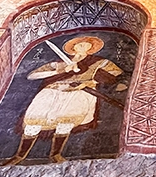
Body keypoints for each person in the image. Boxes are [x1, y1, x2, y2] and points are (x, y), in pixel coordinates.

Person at [8, 35, 124, 164]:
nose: (83, 46)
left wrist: (90, 82)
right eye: (79, 44)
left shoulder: (99, 62)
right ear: (73, 48)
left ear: (92, 48)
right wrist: (59, 71)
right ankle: (20, 156)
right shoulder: (59, 63)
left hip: (79, 93)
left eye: (87, 44)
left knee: (66, 123)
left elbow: (117, 72)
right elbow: (32, 75)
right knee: (34, 122)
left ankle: (56, 155)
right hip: (52, 92)